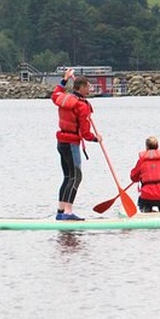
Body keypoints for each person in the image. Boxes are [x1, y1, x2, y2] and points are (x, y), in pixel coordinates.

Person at [51, 67, 102, 221]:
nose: (90, 88)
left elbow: (55, 94)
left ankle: (60, 210)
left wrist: (64, 79)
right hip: (72, 143)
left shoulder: (63, 97)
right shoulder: (82, 106)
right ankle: (67, 212)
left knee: (67, 176)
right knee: (76, 177)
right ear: (81, 88)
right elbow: (86, 134)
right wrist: (96, 138)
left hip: (61, 142)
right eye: (88, 86)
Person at [129, 136, 160, 213]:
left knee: (142, 201)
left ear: (146, 147)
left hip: (147, 198)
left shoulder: (141, 161)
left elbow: (133, 177)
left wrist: (142, 175)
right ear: (157, 146)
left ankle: (146, 212)